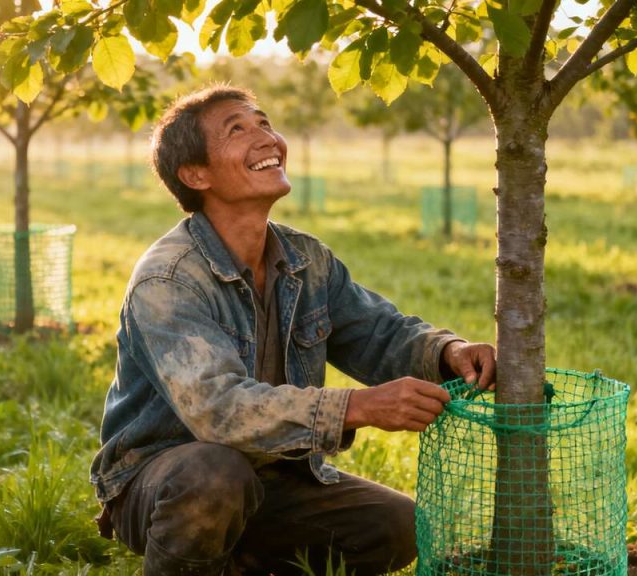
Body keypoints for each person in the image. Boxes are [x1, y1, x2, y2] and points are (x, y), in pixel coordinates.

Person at [89, 85, 496, 576]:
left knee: (398, 526)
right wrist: (360, 407)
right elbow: (218, 411)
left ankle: (242, 563)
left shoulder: (306, 260)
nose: (266, 137)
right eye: (236, 129)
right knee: (215, 475)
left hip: (274, 474)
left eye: (263, 122)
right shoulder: (168, 280)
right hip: (165, 480)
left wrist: (448, 351)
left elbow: (376, 332)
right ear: (195, 174)